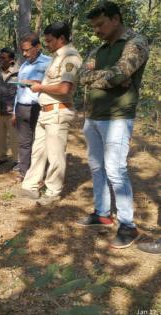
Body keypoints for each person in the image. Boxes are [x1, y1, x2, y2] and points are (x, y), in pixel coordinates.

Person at [77, 1, 149, 249]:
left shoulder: (135, 43)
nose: (96, 30)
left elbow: (120, 74)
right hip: (94, 116)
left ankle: (128, 225)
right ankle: (103, 213)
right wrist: (108, 77)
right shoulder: (99, 49)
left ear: (116, 19)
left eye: (100, 25)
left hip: (118, 117)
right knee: (97, 167)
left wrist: (109, 77)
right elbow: (81, 76)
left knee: (116, 171)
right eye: (94, 26)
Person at [15, 22, 82, 206]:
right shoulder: (56, 57)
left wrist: (40, 86)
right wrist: (38, 83)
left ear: (61, 38)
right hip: (46, 112)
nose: (48, 44)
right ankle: (30, 186)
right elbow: (54, 83)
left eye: (50, 40)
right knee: (38, 152)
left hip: (58, 112)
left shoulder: (70, 57)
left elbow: (64, 88)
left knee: (55, 155)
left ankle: (53, 192)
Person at [12, 33, 51, 182]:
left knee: (41, 142)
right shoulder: (24, 65)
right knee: (24, 142)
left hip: (39, 107)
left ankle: (41, 173)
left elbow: (55, 84)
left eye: (28, 50)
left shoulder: (49, 62)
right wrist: (15, 109)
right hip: (22, 107)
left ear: (38, 47)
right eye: (23, 50)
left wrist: (37, 82)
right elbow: (19, 89)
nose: (24, 53)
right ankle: (23, 172)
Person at [0, 48, 19, 169]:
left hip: (12, 111)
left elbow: (21, 92)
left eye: (3, 58)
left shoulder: (18, 72)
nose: (0, 60)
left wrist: (16, 112)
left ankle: (17, 160)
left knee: (15, 138)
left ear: (11, 60)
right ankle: (2, 157)